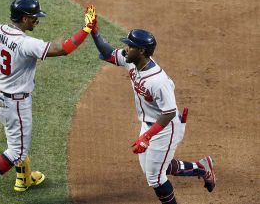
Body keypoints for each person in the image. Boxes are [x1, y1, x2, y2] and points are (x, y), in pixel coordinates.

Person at [0, 0, 96, 204]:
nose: (37, 21)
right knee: (16, 151)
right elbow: (63, 49)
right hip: (15, 104)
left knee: (16, 139)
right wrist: (86, 29)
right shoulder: (26, 43)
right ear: (24, 19)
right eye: (34, 18)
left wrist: (4, 72)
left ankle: (24, 179)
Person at [90, 20, 216, 203]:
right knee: (155, 168)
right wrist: (94, 32)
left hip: (166, 128)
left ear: (141, 50)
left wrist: (147, 136)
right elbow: (108, 53)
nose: (126, 48)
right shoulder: (132, 61)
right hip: (149, 125)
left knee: (155, 178)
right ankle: (202, 168)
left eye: (130, 46)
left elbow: (169, 112)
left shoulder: (158, 81)